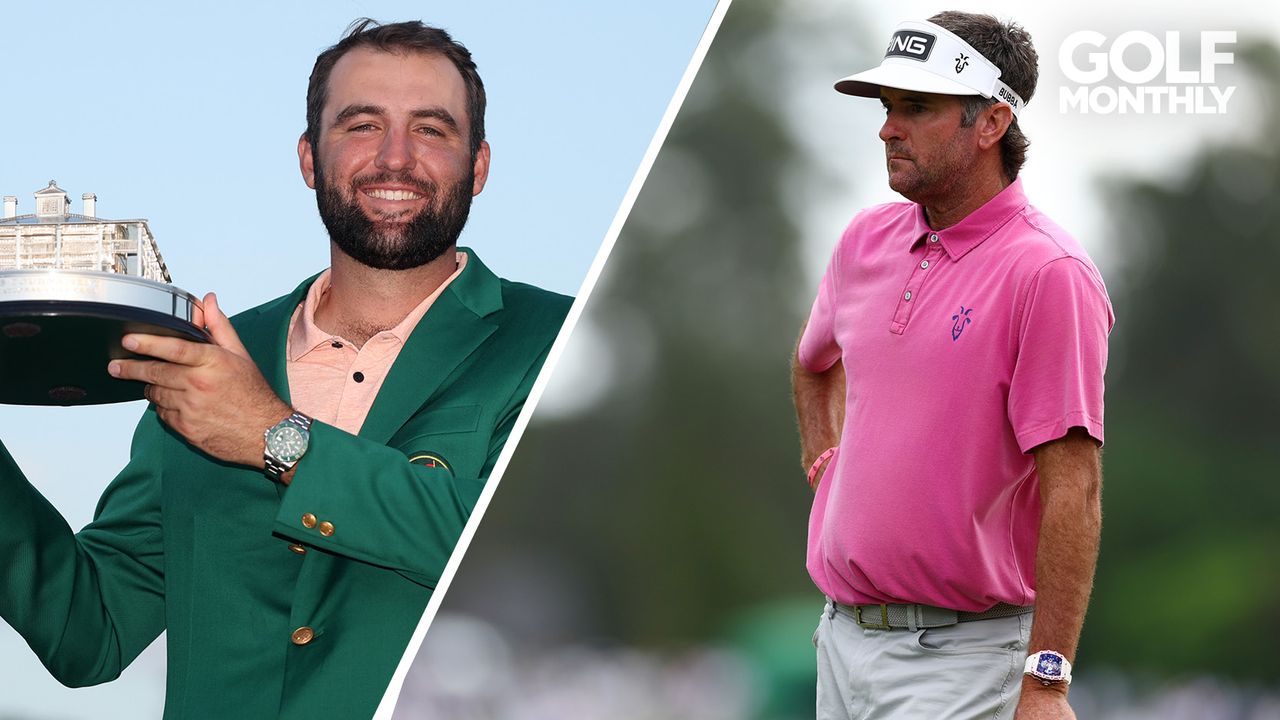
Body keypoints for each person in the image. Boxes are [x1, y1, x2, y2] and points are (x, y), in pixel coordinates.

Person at [0, 19, 569, 719]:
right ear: (308, 158)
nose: (396, 158)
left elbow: (503, 547)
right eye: (362, 125)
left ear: (478, 165)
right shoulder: (205, 361)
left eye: (431, 129)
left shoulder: (549, 339)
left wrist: (275, 436)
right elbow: (89, 632)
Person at [792, 11, 1113, 720]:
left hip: (965, 663)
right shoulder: (863, 240)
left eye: (916, 108)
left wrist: (1048, 680)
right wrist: (828, 463)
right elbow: (813, 365)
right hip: (840, 643)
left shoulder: (1049, 274)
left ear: (992, 122)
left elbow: (1075, 492)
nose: (887, 128)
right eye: (887, 108)